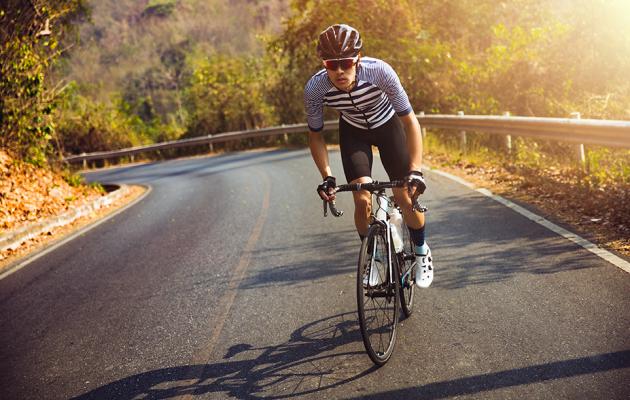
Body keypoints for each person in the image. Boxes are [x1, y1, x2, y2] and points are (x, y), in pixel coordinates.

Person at [304, 24, 434, 288]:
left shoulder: (380, 72)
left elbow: (410, 122)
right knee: (361, 198)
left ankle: (421, 252)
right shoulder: (315, 89)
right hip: (354, 132)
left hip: (388, 127)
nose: (339, 70)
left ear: (358, 59)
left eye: (346, 62)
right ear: (323, 63)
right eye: (331, 64)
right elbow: (315, 135)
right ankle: (374, 258)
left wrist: (415, 169)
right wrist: (327, 176)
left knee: (403, 196)